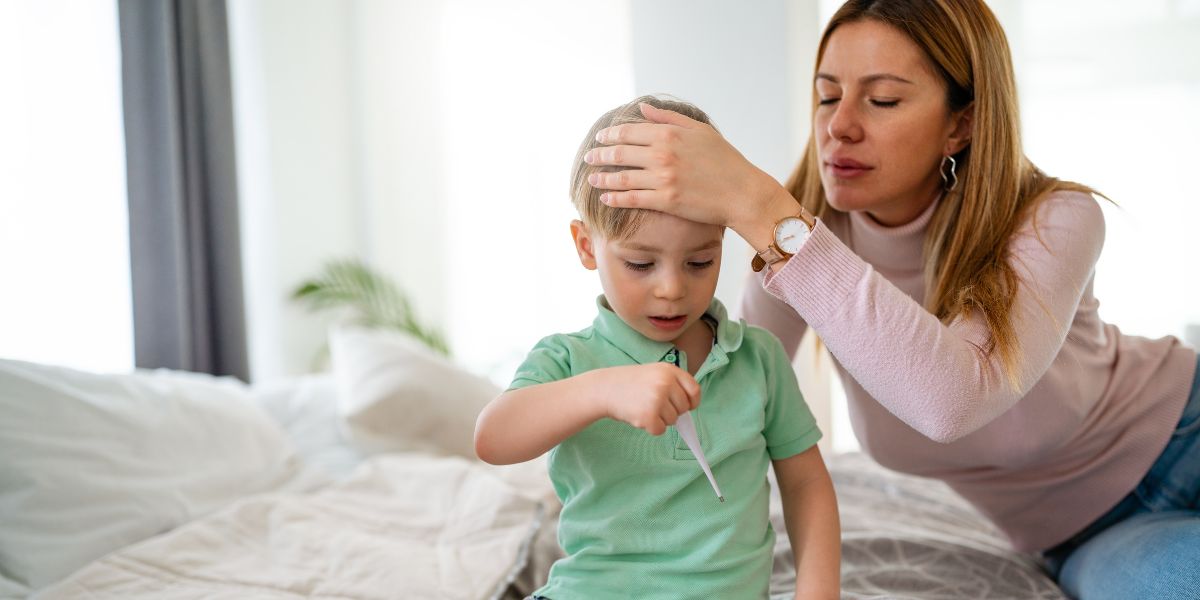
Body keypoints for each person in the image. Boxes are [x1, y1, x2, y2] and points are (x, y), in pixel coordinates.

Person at [580, 2, 1200, 599]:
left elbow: (954, 398)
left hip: (1184, 429)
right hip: (1087, 535)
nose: (838, 125)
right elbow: (715, 396)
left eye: (881, 100)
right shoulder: (805, 248)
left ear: (962, 124)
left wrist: (757, 203)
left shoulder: (1056, 219)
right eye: (827, 95)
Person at [474, 96, 841, 600]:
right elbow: (493, 438)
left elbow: (807, 487)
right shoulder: (567, 361)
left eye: (699, 262)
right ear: (586, 246)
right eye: (641, 265)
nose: (671, 289)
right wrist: (602, 391)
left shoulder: (758, 359)